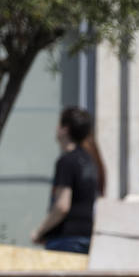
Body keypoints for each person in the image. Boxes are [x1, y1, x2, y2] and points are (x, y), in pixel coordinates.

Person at [31, 106, 106, 254]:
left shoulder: (66, 161)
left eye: (59, 124)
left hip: (66, 239)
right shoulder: (90, 161)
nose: (56, 128)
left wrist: (39, 231)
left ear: (65, 129)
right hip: (88, 236)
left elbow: (62, 206)